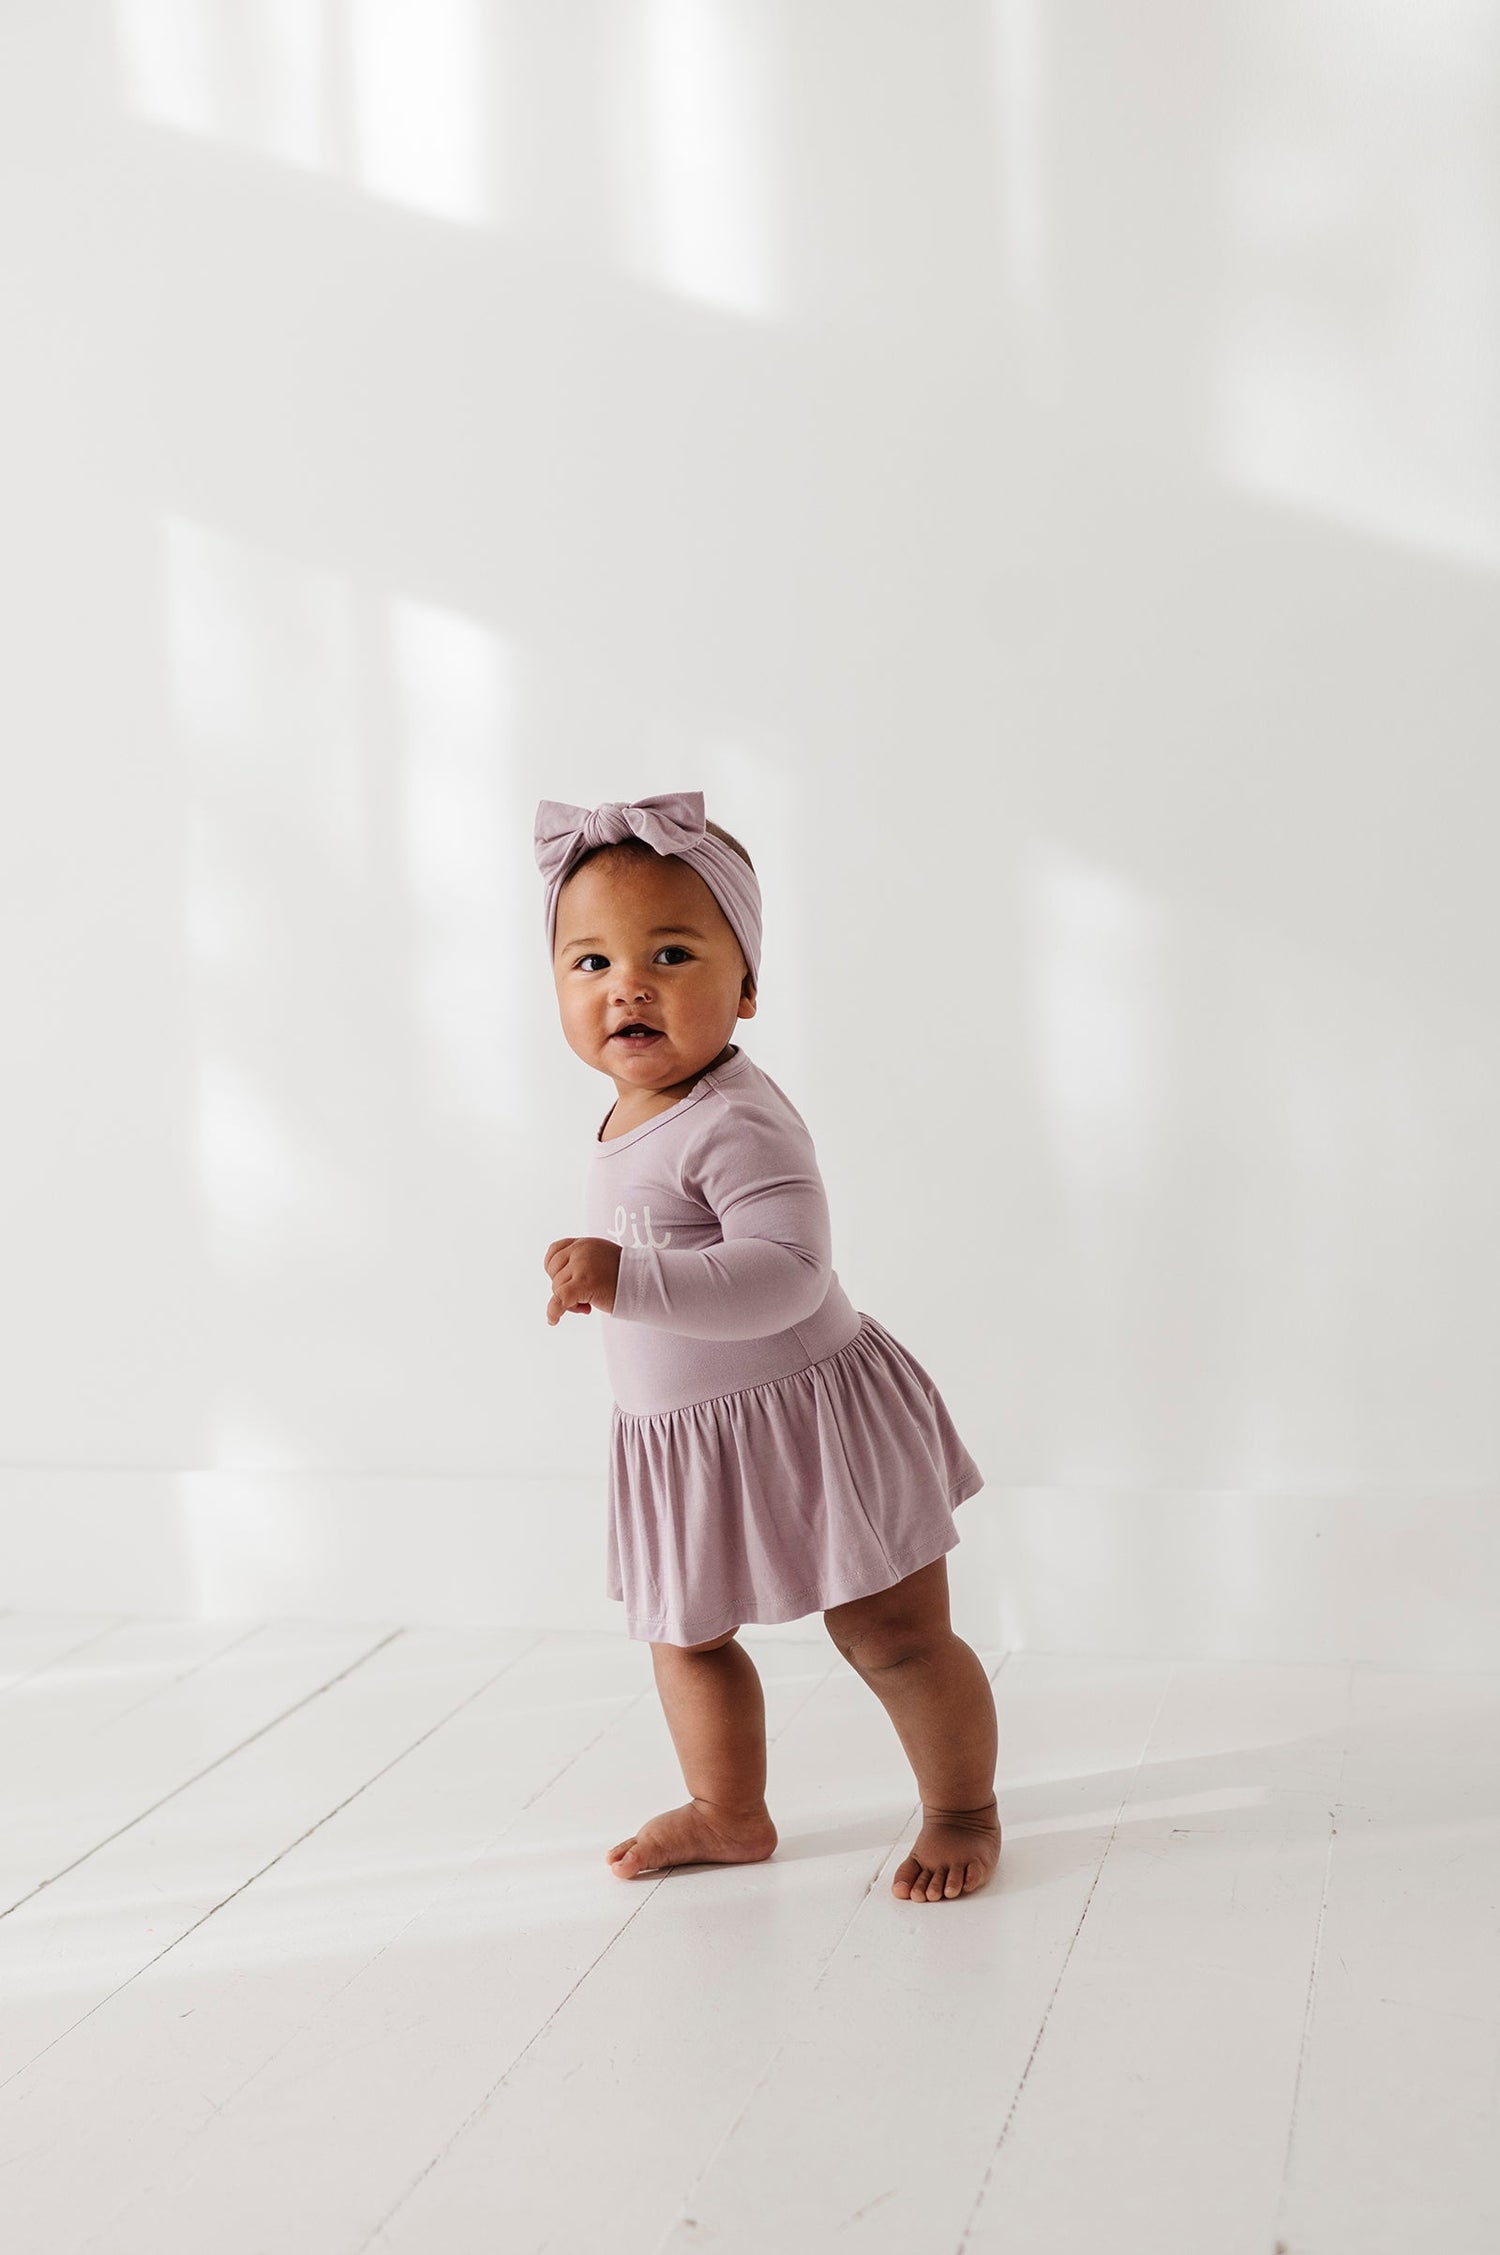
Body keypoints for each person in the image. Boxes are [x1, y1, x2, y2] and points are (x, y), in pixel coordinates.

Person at [536, 791, 1002, 1904]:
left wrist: (626, 1276)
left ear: (746, 986)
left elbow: (789, 1269)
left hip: (810, 1416)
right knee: (686, 1638)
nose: (627, 985)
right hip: (687, 1440)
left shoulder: (734, 1118)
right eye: (592, 961)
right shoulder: (634, 1108)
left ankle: (963, 1808)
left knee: (893, 1634)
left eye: (671, 954)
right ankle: (727, 1810)